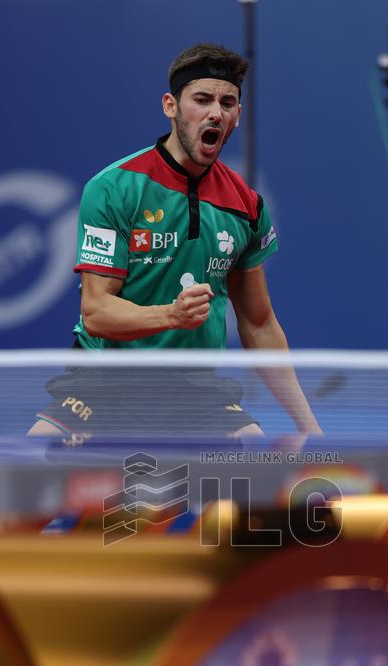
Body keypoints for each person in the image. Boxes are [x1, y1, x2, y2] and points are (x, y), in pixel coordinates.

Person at [31, 42, 320, 439]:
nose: (216, 112)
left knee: (253, 452)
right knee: (31, 463)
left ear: (237, 115)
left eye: (228, 102)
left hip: (194, 389)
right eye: (201, 99)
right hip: (106, 381)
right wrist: (172, 316)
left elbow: (258, 321)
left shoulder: (246, 206)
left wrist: (310, 429)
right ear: (170, 106)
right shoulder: (115, 188)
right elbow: (96, 312)